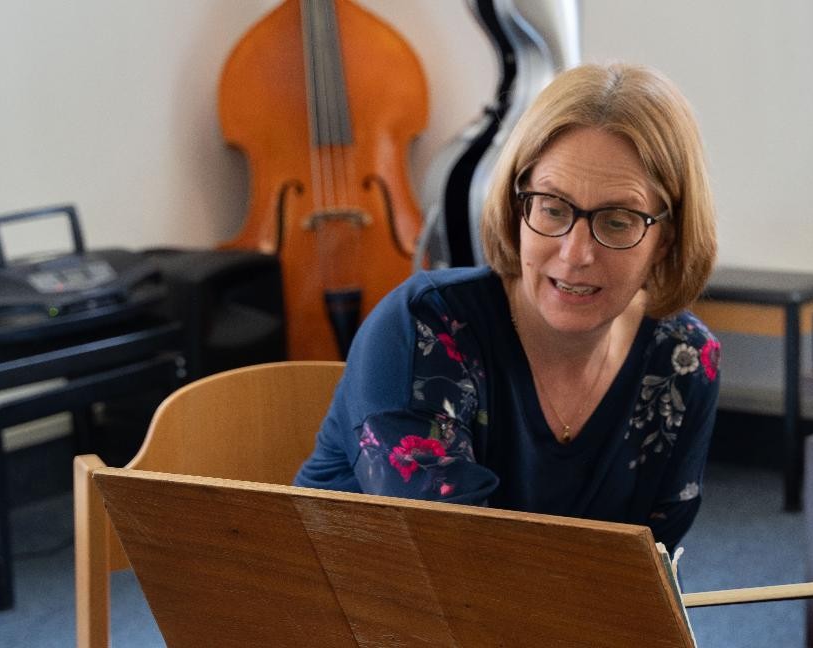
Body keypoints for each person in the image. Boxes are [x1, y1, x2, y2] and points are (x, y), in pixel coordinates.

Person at [293, 62, 720, 547]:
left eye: (618, 221)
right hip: (361, 611)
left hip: (551, 618)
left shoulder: (683, 360)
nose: (575, 253)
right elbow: (453, 561)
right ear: (519, 207)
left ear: (666, 238)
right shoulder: (426, 329)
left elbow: (650, 562)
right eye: (553, 208)